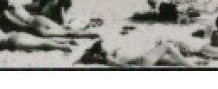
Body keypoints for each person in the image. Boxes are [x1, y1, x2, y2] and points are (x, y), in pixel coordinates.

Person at [0, 15, 72, 53]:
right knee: (39, 41)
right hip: (14, 34)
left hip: (11, 42)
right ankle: (62, 42)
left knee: (39, 45)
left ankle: (62, 46)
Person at [75, 39, 207, 68]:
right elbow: (122, 67)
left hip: (143, 60)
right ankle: (191, 66)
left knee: (166, 58)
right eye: (105, 47)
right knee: (167, 46)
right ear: (101, 52)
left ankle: (190, 64)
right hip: (143, 63)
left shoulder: (109, 55)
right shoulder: (108, 58)